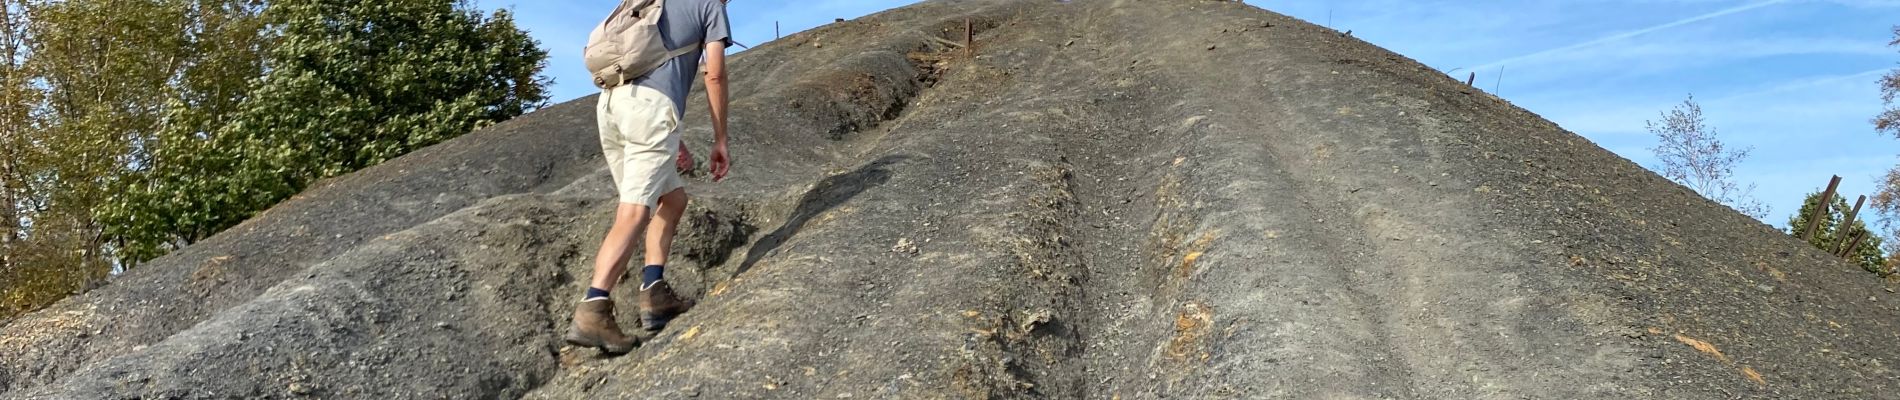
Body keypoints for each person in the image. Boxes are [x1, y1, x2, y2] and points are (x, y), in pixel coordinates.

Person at [566, 0, 731, 355]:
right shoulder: (710, 6)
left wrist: (675, 138)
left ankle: (654, 293)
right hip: (650, 111)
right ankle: (593, 308)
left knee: (672, 199)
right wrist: (720, 139)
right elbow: (714, 73)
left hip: (612, 104)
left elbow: (649, 64)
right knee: (634, 211)